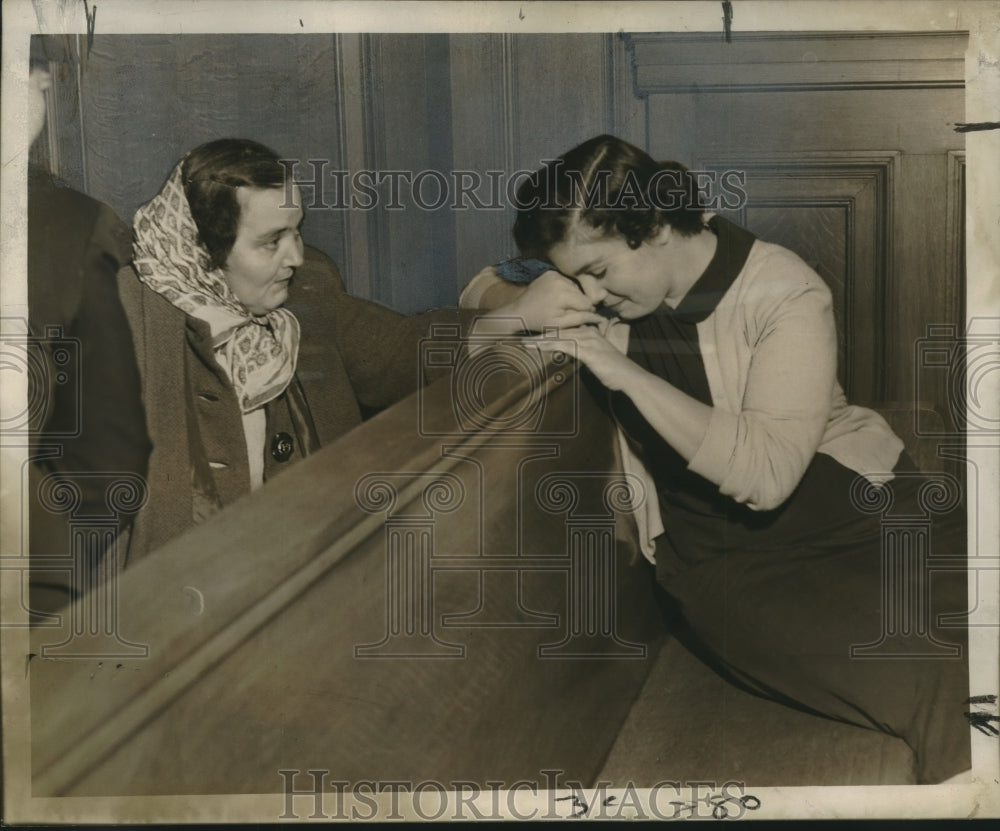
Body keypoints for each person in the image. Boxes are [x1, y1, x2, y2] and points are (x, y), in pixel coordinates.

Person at [460, 134, 970, 784]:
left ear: (655, 228)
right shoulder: (610, 285)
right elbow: (483, 283)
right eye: (576, 276)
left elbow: (766, 475)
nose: (589, 293)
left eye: (598, 271)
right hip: (734, 566)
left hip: (866, 511)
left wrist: (624, 373)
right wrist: (523, 305)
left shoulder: (784, 289)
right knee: (940, 674)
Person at [117, 138, 537, 562]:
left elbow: (399, 349)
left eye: (297, 230)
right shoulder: (128, 319)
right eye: (271, 241)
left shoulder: (308, 287)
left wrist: (508, 319)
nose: (296, 256)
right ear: (202, 252)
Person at [26, 47, 151, 617]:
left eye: (39, 71)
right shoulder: (69, 225)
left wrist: (34, 588)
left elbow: (107, 460)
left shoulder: (69, 228)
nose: (43, 82)